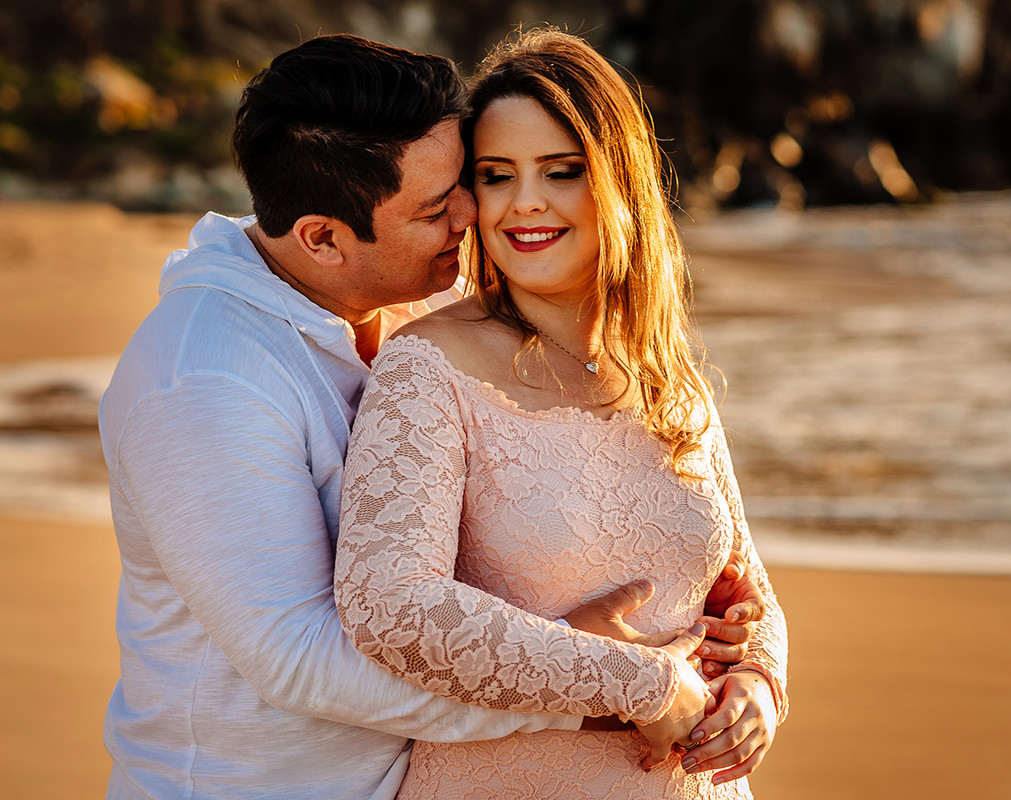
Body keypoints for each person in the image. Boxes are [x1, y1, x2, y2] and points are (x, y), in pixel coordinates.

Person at [99, 33, 763, 800]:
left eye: (465, 180)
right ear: (324, 238)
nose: (474, 214)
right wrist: (604, 683)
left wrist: (751, 667)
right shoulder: (204, 379)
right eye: (437, 206)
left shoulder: (427, 293)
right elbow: (300, 658)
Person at [334, 28, 788, 799]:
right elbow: (390, 608)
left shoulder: (664, 369)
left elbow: (744, 584)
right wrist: (642, 683)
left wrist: (759, 683)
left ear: (618, 178)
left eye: (561, 171)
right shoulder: (427, 368)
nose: (526, 203)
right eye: (497, 176)